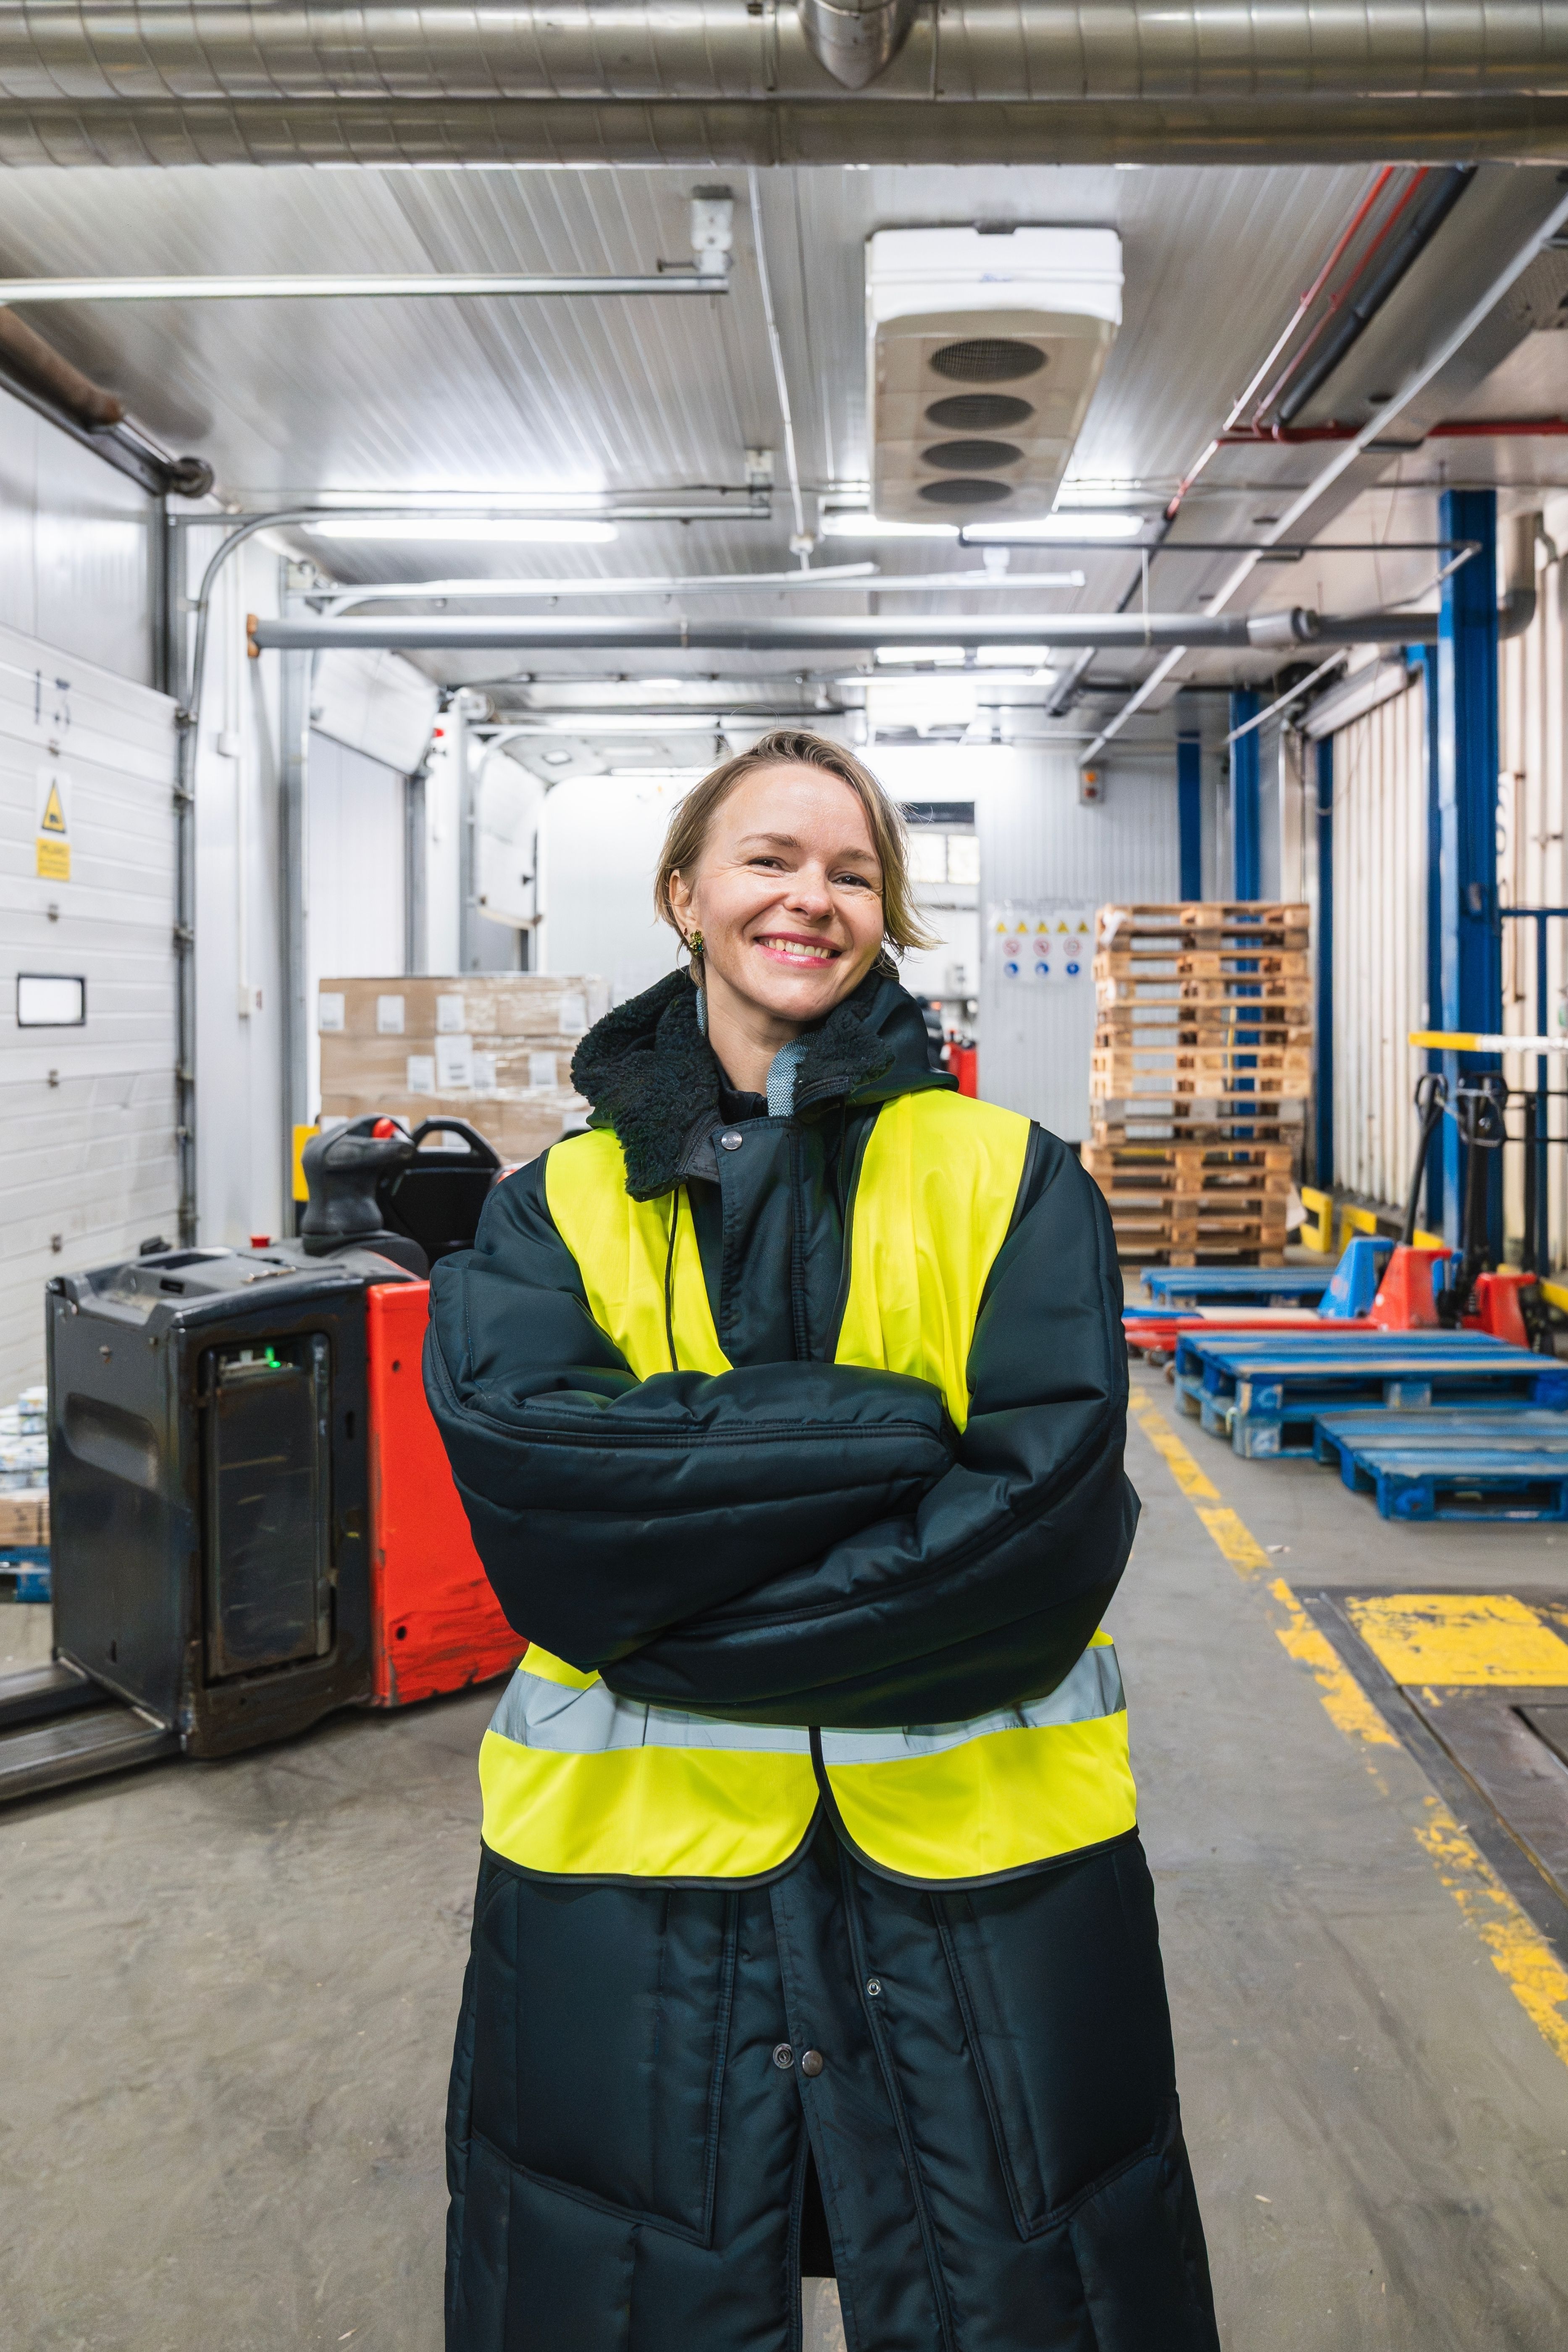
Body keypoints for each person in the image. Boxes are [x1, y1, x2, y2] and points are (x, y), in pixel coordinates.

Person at [425, 729, 1219, 2352]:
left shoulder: (1011, 1180)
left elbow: (1038, 1540)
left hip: (980, 1884)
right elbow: (548, 1520)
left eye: (853, 871)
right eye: (771, 860)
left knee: (1031, 2295)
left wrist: (663, 1620)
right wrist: (892, 1444)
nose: (813, 898)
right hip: (636, 1888)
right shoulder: (555, 1204)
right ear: (686, 897)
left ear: (890, 911)